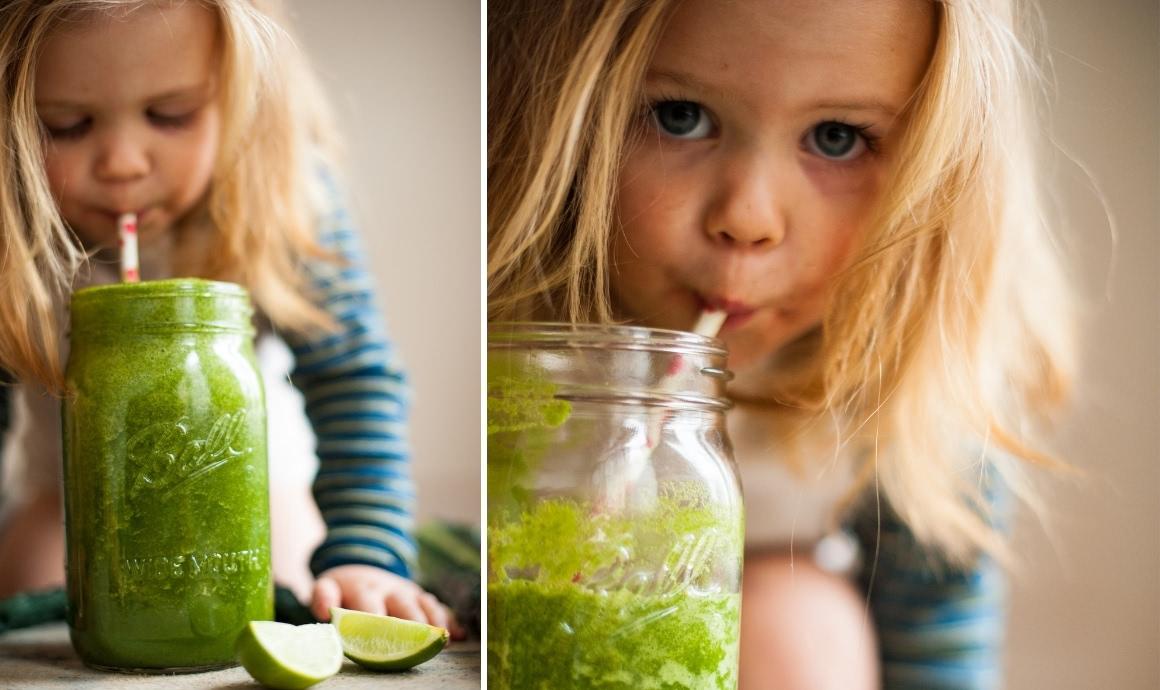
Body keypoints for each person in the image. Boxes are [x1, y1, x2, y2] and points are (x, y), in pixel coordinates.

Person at [488, 0, 1074, 687]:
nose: (748, 216)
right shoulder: (500, 337)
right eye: (680, 117)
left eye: (836, 137)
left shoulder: (913, 375)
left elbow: (939, 651)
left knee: (798, 626)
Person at [0, 0, 461, 636]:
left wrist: (366, 554)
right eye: (67, 125)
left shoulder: (285, 198)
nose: (123, 163)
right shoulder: (14, 229)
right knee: (34, 598)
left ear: (247, 100)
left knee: (291, 594)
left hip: (255, 499)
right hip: (74, 506)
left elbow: (353, 379)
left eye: (171, 115)